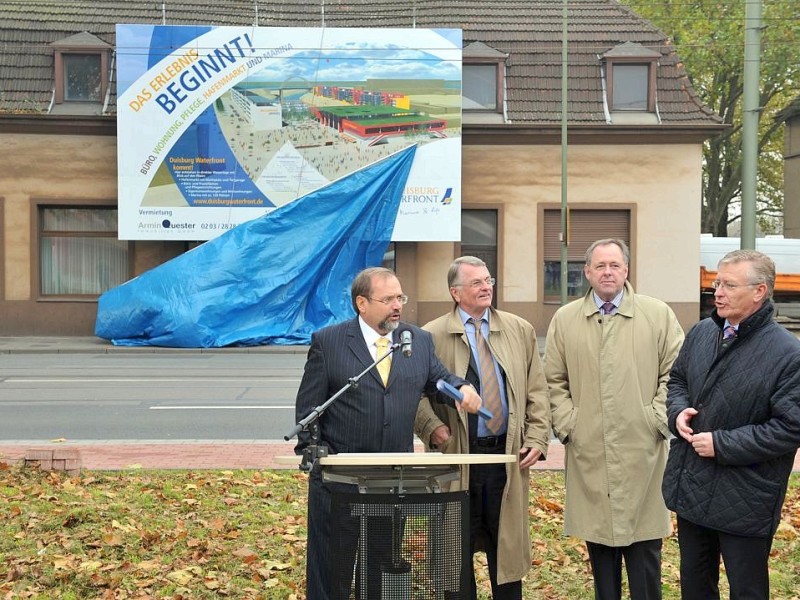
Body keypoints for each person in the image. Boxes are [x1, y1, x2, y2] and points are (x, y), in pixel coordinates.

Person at [294, 266, 483, 600]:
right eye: (388, 299)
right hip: (340, 482)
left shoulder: (417, 341)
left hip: (393, 481)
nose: (398, 305)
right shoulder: (330, 342)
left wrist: (463, 388)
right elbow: (309, 409)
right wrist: (315, 451)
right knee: (332, 571)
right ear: (362, 303)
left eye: (400, 297)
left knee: (381, 572)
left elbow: (440, 380)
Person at [544, 238, 684, 600]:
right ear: (587, 272)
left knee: (645, 557)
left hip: (643, 452)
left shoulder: (657, 315)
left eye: (615, 265)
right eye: (600, 266)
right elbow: (553, 380)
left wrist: (655, 418)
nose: (608, 272)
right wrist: (569, 422)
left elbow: (678, 374)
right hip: (589, 450)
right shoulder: (567, 319)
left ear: (626, 270)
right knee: (602, 559)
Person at [661, 249, 800, 600]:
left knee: (747, 590)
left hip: (747, 497)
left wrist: (722, 444)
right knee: (694, 584)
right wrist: (678, 411)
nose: (717, 292)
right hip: (692, 486)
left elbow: (790, 427)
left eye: (728, 285)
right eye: (716, 283)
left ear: (759, 292)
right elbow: (677, 381)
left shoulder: (788, 354)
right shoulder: (702, 333)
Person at [414, 256, 551, 599]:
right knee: (453, 558)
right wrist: (433, 429)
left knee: (505, 556)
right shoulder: (431, 335)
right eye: (476, 283)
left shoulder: (519, 330)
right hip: (457, 459)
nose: (486, 287)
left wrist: (536, 437)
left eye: (488, 280)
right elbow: (414, 394)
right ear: (455, 292)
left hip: (506, 459)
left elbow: (538, 389)